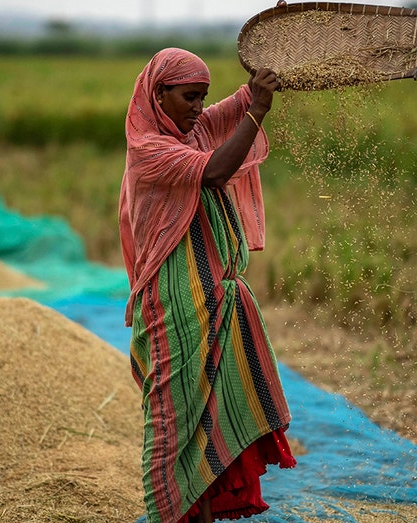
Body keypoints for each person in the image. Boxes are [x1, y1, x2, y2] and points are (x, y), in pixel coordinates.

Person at [119, 47, 295, 523]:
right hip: (174, 303)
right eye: (189, 97)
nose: (199, 108)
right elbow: (216, 171)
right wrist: (257, 110)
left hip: (211, 293)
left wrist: (279, 61)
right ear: (158, 96)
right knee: (171, 418)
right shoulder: (151, 150)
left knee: (211, 408)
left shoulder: (191, 130)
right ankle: (165, 514)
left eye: (203, 98)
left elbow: (238, 106)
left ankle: (198, 510)